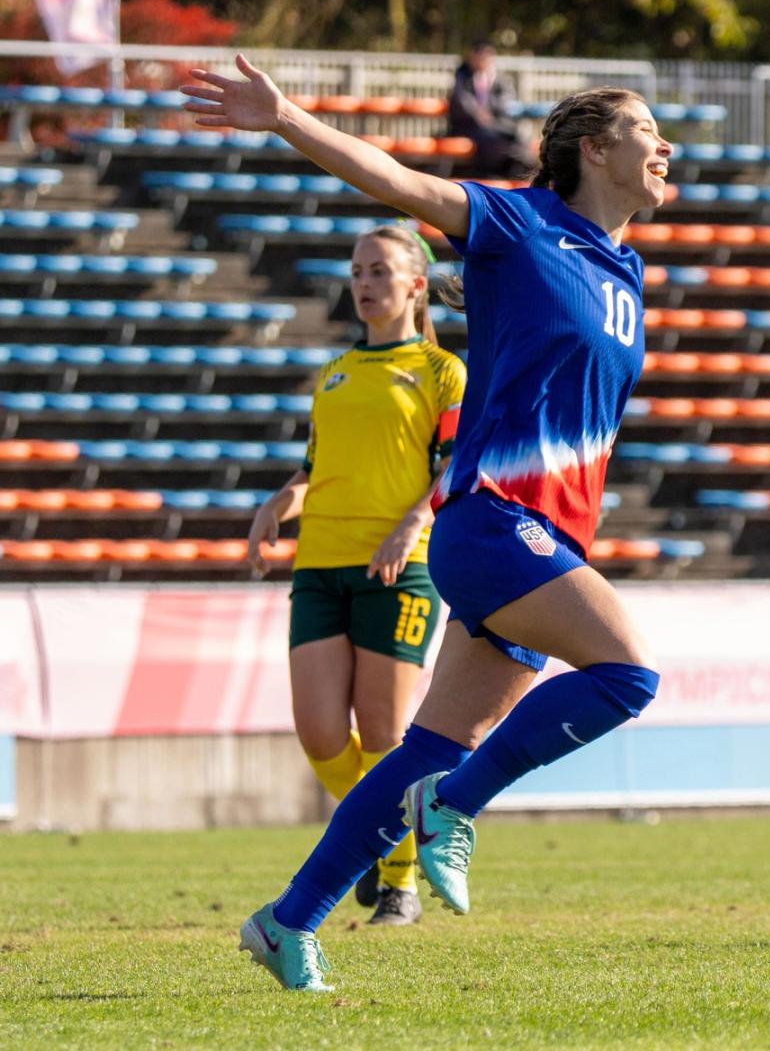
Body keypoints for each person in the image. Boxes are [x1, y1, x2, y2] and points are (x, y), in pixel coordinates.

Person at [182, 54, 671, 992]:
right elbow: (400, 184)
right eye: (649, 131)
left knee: (428, 745)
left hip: (552, 535)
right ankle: (457, 807)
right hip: (492, 523)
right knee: (627, 673)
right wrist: (284, 117)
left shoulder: (627, 269)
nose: (667, 147)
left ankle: (289, 922)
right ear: (597, 148)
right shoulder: (519, 223)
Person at [245, 224, 466, 927]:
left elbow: (455, 464)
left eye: (379, 271)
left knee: (383, 734)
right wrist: (283, 499)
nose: (365, 284)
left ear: (414, 285)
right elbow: (317, 468)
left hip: (400, 569)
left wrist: (413, 522)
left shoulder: (441, 372)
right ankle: (378, 843)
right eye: (357, 272)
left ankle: (398, 883)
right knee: (319, 735)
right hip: (320, 563)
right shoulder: (335, 371)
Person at [447, 39, 535, 179]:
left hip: (494, 124)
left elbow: (506, 100)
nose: (484, 61)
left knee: (517, 133)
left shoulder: (498, 78)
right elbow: (462, 101)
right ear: (473, 56)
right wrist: (478, 113)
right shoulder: (462, 75)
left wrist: (490, 112)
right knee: (493, 139)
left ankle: (523, 165)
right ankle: (493, 174)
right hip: (468, 126)